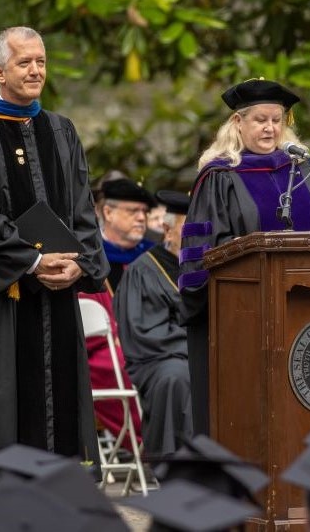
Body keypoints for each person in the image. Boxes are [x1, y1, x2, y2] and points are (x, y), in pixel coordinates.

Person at [0, 26, 109, 479]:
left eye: (41, 61)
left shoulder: (62, 131)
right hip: (4, 304)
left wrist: (79, 264)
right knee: (4, 409)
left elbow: (82, 212)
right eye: (23, 62)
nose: (36, 70)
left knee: (62, 418)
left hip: (58, 296)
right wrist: (32, 261)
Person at [179, 78, 310, 435]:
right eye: (260, 119)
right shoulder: (220, 176)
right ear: (238, 123)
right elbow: (202, 252)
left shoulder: (307, 170)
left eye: (277, 119)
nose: (270, 127)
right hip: (246, 313)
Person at [114, 189, 193, 457]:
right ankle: (178, 466)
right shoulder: (144, 270)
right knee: (177, 377)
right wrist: (198, 347)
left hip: (204, 354)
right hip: (159, 358)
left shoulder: (215, 268)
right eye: (189, 227)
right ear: (168, 230)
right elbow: (146, 332)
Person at [79, 177, 156, 448]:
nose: (141, 218)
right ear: (108, 212)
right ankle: (150, 443)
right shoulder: (88, 259)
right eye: (132, 211)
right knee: (117, 362)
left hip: (155, 343)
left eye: (144, 212)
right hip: (106, 348)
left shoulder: (153, 257)